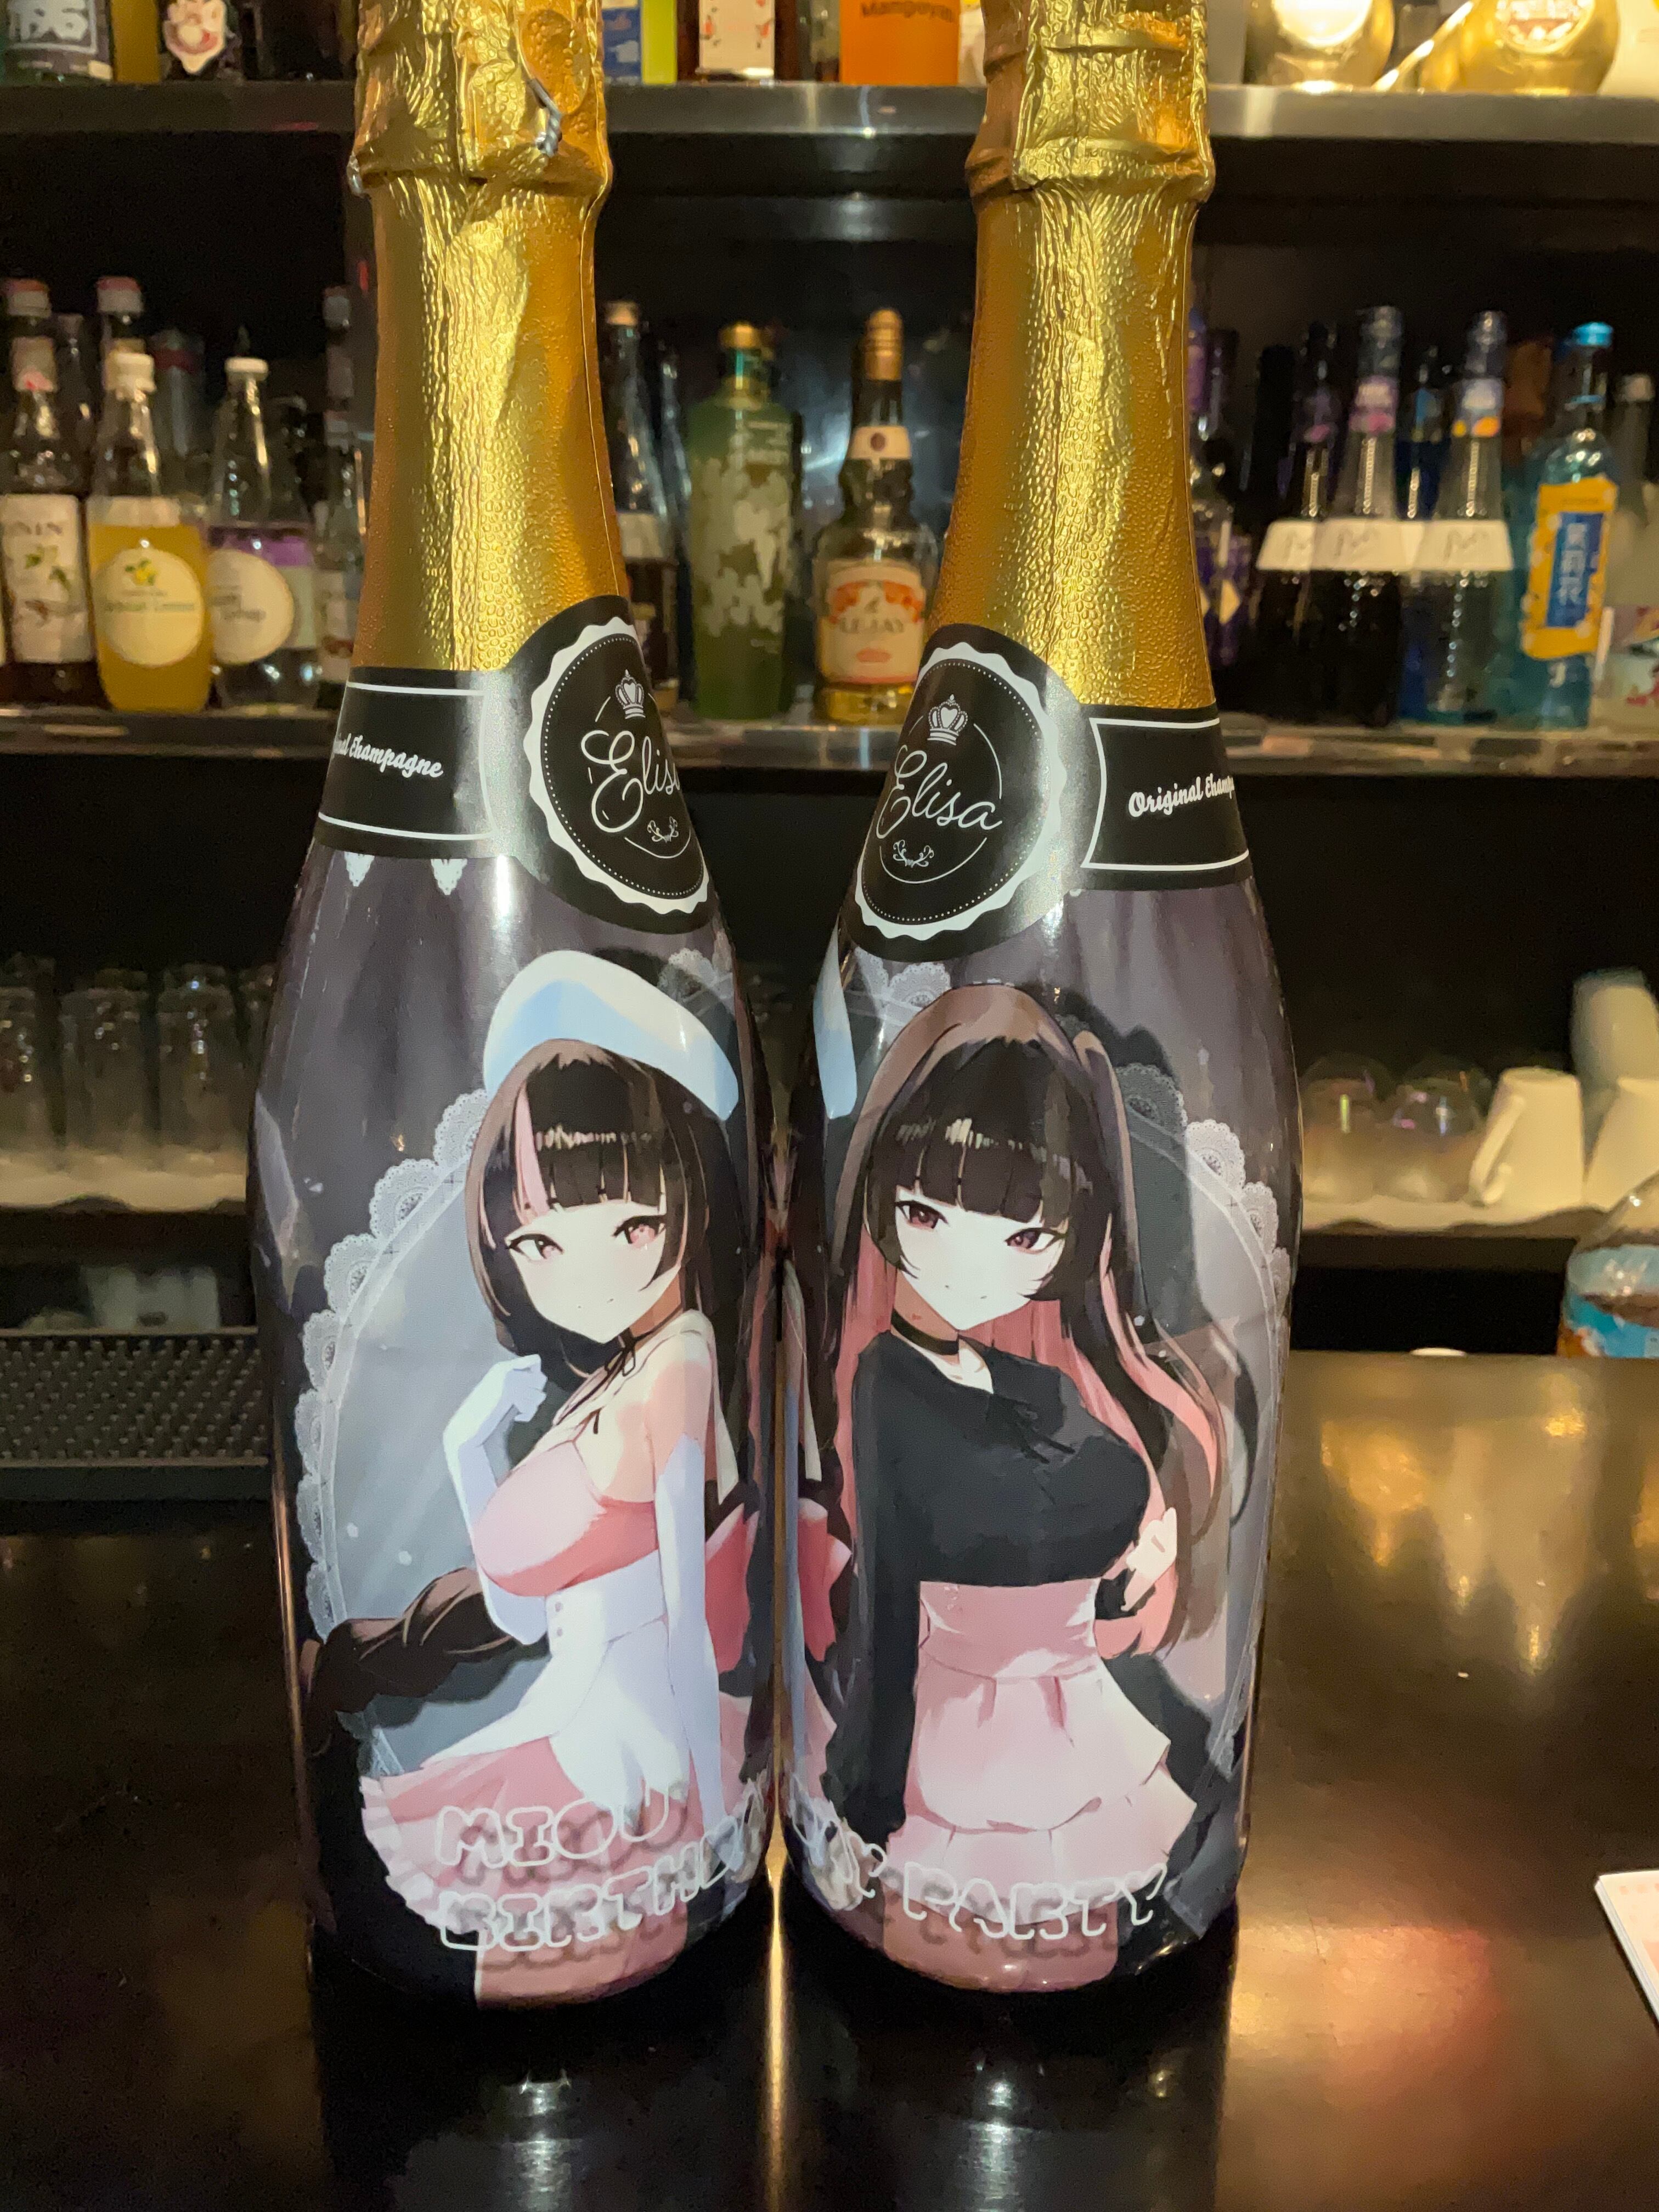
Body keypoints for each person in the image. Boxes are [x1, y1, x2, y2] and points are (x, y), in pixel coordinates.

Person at [318, 952, 760, 2001]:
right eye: (541, 1243)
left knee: (547, 1960)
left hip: (635, 1752)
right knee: (501, 1955)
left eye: (633, 1227)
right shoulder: (604, 1384)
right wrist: (468, 1448)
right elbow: (520, 1614)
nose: (589, 1274)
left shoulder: (680, 1362)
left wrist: (713, 1818)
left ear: (688, 1203)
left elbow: (686, 1617)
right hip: (576, 1726)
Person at [803, 983, 1227, 1989]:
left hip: (1076, 1715)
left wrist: (1131, 1570)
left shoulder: (1030, 1382)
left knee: (1085, 1936)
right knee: (956, 1936)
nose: (965, 1266)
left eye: (1024, 1235)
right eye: (924, 1213)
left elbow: (1091, 1509)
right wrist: (867, 1804)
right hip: (962, 1735)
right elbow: (895, 1595)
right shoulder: (888, 1384)